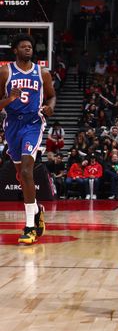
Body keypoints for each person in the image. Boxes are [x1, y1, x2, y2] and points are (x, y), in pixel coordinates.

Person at [0, 35, 57, 244]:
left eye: (30, 47)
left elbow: (52, 95)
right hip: (12, 124)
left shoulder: (42, 72)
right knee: (21, 176)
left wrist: (50, 107)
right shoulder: (5, 72)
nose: (28, 49)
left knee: (26, 171)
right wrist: (10, 99)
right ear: (15, 50)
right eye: (23, 47)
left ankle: (29, 227)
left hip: (33, 123)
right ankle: (37, 210)